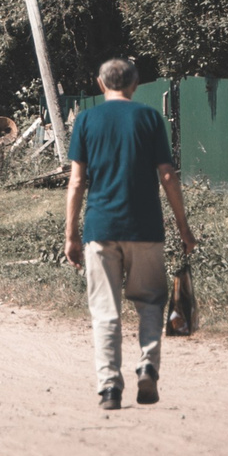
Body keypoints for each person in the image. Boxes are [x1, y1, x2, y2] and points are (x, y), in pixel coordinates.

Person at [62, 56, 197, 411]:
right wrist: (183, 227)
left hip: (101, 228)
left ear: (100, 84)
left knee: (105, 310)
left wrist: (71, 234)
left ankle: (109, 387)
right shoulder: (149, 118)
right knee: (150, 302)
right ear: (135, 84)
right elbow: (167, 176)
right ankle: (148, 366)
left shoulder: (86, 120)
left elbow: (76, 181)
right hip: (145, 227)